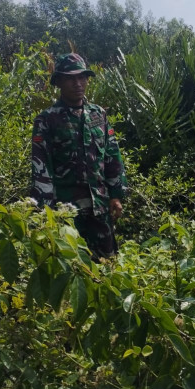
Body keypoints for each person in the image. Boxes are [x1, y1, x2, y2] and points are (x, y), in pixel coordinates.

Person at [31, 52, 127, 259]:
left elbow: (112, 154)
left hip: (99, 207)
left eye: (82, 77)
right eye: (70, 78)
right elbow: (41, 168)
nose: (78, 83)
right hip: (66, 211)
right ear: (59, 82)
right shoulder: (47, 120)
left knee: (107, 267)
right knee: (71, 268)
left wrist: (116, 195)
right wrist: (45, 210)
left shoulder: (98, 114)